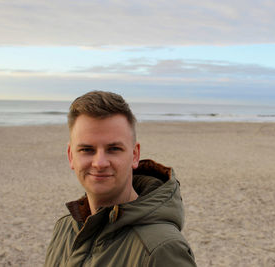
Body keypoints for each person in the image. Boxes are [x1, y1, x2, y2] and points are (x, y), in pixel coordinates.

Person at [44, 91, 196, 266]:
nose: (99, 163)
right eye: (87, 149)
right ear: (71, 156)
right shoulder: (64, 229)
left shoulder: (161, 249)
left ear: (134, 155)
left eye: (114, 149)